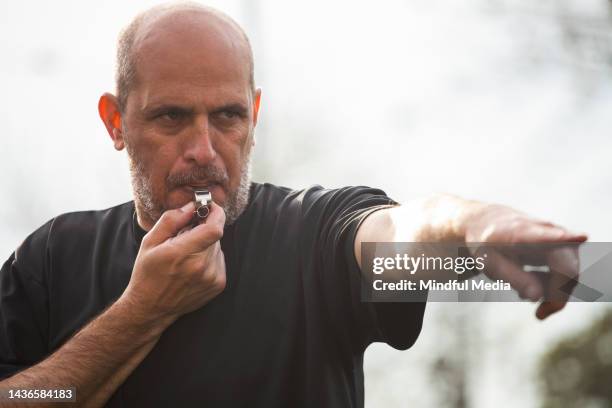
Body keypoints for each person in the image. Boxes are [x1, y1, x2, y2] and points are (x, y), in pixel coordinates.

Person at [0, 3, 586, 407]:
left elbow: (397, 235)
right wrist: (141, 312)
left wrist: (476, 230)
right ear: (116, 121)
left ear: (253, 116)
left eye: (227, 116)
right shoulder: (53, 258)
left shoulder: (310, 234)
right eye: (171, 116)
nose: (204, 151)